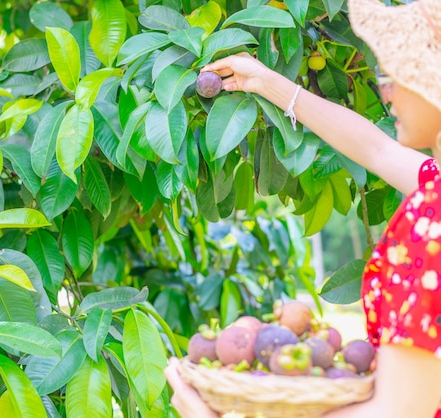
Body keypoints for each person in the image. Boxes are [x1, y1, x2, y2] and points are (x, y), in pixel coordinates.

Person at [165, 0, 441, 417]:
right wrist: (266, 82)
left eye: (396, 73)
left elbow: (397, 411)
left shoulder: (430, 218)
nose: (385, 90)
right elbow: (375, 148)